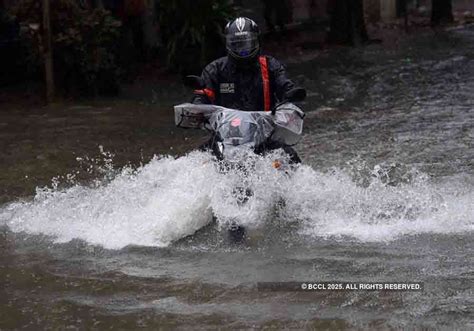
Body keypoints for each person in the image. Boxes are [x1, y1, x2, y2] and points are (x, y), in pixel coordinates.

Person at [192, 17, 301, 163]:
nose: (242, 50)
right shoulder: (215, 69)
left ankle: (301, 184)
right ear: (228, 44)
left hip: (264, 137)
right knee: (195, 160)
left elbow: (284, 84)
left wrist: (290, 93)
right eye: (237, 45)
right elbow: (203, 94)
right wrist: (198, 105)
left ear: (257, 41)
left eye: (246, 44)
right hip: (224, 138)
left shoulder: (270, 66)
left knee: (290, 158)